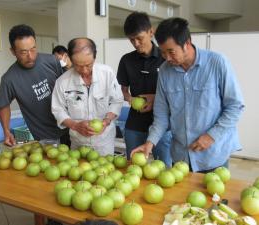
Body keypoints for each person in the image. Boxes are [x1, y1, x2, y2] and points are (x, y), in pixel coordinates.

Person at [131, 17, 244, 173]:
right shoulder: (164, 71)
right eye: (163, 53)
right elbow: (161, 116)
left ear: (187, 43)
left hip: (213, 155)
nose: (167, 58)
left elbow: (235, 106)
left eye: (171, 51)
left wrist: (211, 136)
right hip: (181, 158)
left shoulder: (217, 63)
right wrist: (150, 143)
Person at [0, 24, 70, 147]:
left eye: (33, 49)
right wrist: (6, 131)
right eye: (24, 52)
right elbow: (3, 105)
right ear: (13, 51)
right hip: (45, 136)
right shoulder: (9, 79)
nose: (30, 56)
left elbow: (67, 86)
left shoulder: (52, 61)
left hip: (70, 125)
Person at [117, 11, 172, 166]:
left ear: (150, 32)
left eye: (139, 38)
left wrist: (156, 99)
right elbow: (123, 90)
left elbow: (175, 93)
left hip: (162, 125)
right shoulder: (126, 60)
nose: (136, 43)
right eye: (131, 40)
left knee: (164, 168)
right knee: (133, 168)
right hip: (135, 124)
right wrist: (130, 99)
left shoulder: (166, 58)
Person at [52, 38, 124, 156]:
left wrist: (106, 121)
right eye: (78, 66)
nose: (84, 70)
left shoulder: (107, 74)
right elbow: (58, 110)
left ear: (94, 58)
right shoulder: (63, 82)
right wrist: (75, 125)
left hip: (104, 143)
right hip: (78, 144)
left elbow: (117, 101)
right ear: (70, 59)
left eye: (88, 65)